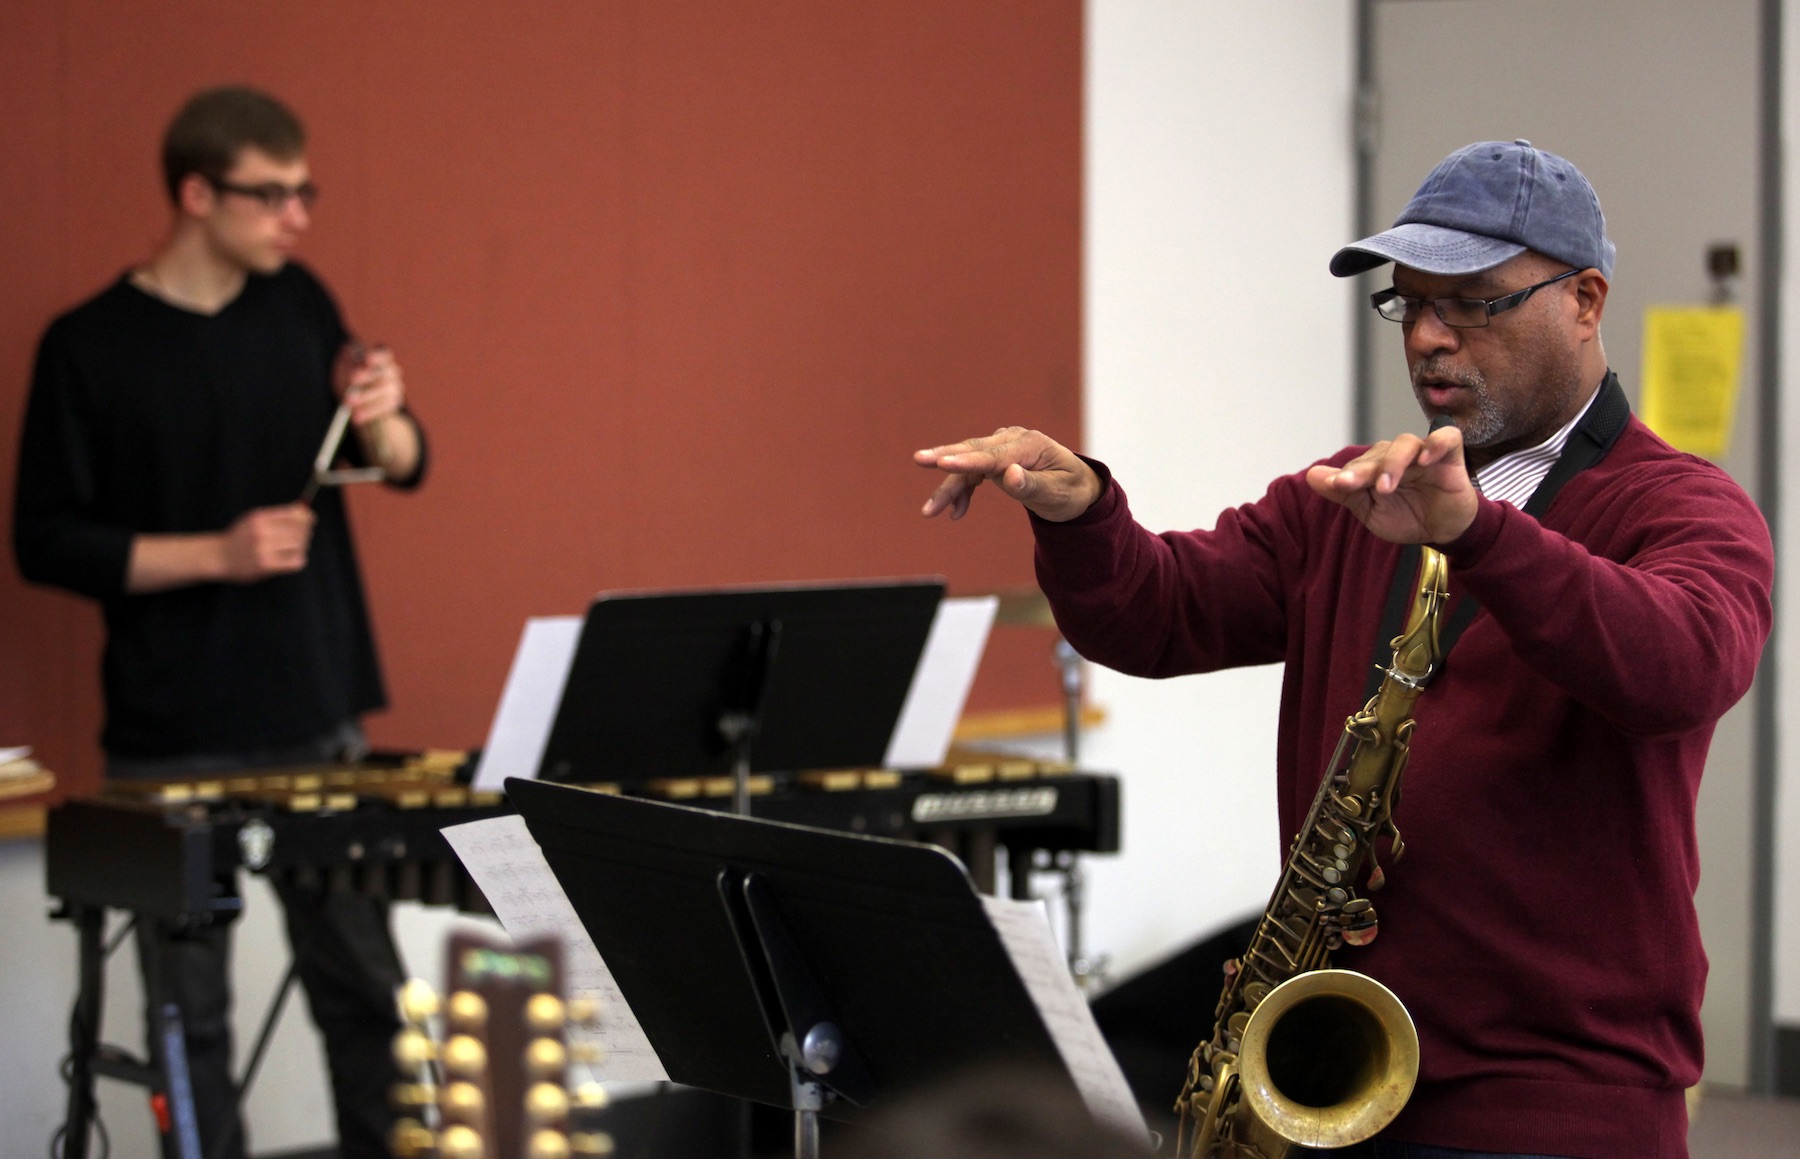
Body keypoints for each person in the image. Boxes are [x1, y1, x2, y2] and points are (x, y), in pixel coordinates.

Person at [914, 140, 1773, 1158]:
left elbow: (1683, 665)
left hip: (1555, 1099)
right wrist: (1082, 512)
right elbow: (1159, 613)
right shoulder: (1351, 494)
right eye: (1408, 305)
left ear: (1585, 300)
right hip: (1334, 1087)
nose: (1429, 340)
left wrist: (1478, 534)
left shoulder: (1682, 504)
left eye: (1473, 303)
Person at [14, 86, 426, 1159]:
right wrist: (219, 554)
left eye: (306, 192)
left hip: (316, 710)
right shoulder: (88, 347)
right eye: (272, 194)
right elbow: (45, 541)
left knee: (367, 996)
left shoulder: (299, 303)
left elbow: (403, 466)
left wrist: (388, 422)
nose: (298, 217)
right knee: (186, 1019)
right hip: (170, 730)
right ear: (197, 194)